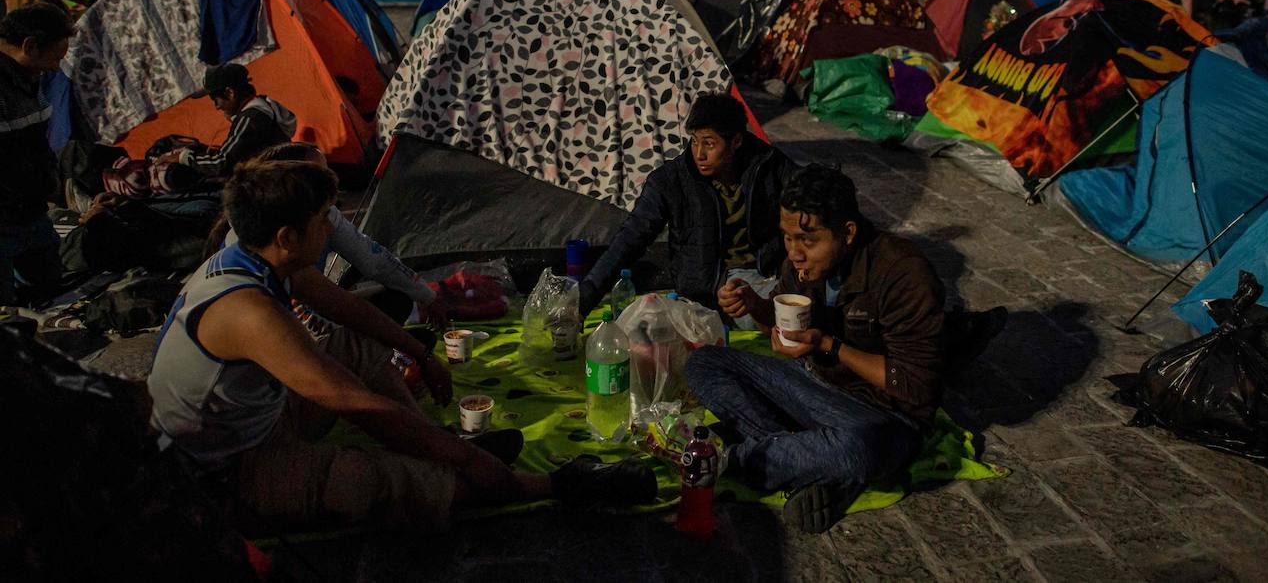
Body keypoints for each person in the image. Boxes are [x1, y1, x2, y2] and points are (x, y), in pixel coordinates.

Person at [147, 160, 655, 533]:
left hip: (260, 422)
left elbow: (350, 312)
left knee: (352, 340)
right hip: (220, 474)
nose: (331, 227)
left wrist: (420, 354)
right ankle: (550, 485)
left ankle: (439, 443)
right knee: (370, 479)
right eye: (324, 217)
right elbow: (355, 403)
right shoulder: (246, 310)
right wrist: (462, 459)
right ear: (286, 235)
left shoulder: (256, 257)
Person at [686, 165, 945, 533]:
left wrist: (828, 345)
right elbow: (780, 327)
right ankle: (806, 461)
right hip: (815, 385)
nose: (794, 252)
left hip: (884, 415)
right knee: (704, 362)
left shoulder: (903, 272)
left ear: (848, 232)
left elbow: (916, 386)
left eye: (808, 240)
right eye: (788, 238)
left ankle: (734, 461)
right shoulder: (797, 264)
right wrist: (755, 305)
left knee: (856, 450)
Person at [579, 92, 793, 316]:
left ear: (736, 141)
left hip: (768, 275)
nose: (699, 153)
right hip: (713, 290)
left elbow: (811, 196)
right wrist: (587, 294)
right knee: (783, 312)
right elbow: (629, 239)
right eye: (694, 141)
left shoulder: (767, 165)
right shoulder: (671, 181)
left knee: (813, 298)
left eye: (709, 143)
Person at [217, 142, 447, 327]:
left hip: (312, 306)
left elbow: (371, 258)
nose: (328, 228)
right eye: (317, 174)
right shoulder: (257, 238)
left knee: (389, 304)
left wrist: (425, 296)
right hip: (275, 321)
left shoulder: (323, 213)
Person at [0, 4, 75, 306]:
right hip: (6, 216)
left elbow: (35, 138)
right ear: (29, 46)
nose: (56, 67)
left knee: (48, 288)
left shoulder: (26, 78)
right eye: (54, 57)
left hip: (30, 211)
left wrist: (48, 179)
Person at [156, 63, 297, 179]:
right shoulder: (262, 105)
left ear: (230, 93)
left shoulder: (249, 118)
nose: (216, 107)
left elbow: (221, 164)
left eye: (215, 99)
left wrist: (183, 157)